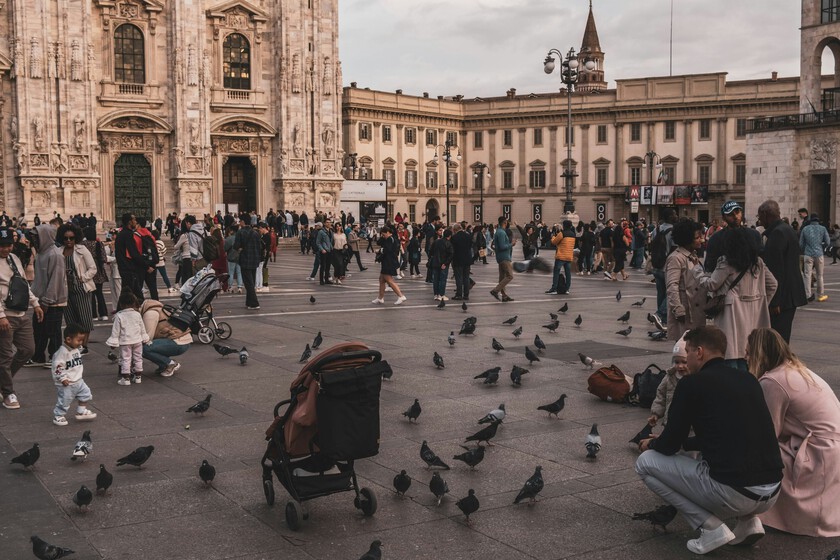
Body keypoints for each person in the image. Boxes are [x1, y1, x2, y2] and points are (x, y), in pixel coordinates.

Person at [635, 326, 783, 555]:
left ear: (700, 352)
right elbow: (725, 436)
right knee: (734, 458)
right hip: (772, 490)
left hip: (734, 492)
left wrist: (651, 443)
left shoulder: (691, 384)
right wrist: (684, 443)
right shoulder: (748, 379)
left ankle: (711, 528)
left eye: (689, 352)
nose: (687, 359)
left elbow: (669, 444)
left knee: (645, 463)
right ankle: (749, 522)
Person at [746, 327, 840, 537]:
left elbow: (768, 432)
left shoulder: (773, 381)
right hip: (830, 447)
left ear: (759, 354)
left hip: (817, 451)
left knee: (752, 452)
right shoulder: (797, 370)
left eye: (748, 353)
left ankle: (749, 508)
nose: (745, 357)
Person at [693, 227, 777, 371]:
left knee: (731, 353)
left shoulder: (726, 262)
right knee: (749, 355)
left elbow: (712, 284)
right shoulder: (757, 262)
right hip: (754, 315)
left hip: (731, 313)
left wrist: (698, 272)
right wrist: (761, 301)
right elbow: (773, 284)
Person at [0, 226, 43, 409]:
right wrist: (1, 316)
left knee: (28, 350)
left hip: (21, 313)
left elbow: (23, 283)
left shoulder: (14, 258)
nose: (6, 248)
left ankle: (2, 381)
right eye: (2, 245)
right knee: (5, 356)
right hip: (5, 315)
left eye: (9, 244)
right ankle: (8, 392)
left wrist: (35, 303)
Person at [756, 200, 808, 343]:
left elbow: (775, 270)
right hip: (791, 293)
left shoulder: (777, 234)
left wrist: (774, 301)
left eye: (760, 217)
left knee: (777, 339)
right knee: (783, 336)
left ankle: (780, 364)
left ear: (766, 215)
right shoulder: (787, 229)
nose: (759, 221)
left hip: (783, 297)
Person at [28, 221, 68, 368]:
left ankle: (55, 357)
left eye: (37, 238)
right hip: (41, 301)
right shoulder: (42, 253)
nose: (34, 241)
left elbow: (55, 280)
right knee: (39, 330)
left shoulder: (55, 254)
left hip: (53, 301)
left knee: (53, 331)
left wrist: (46, 301)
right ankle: (38, 356)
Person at [665, 220, 707, 341]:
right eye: (697, 237)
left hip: (696, 310)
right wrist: (678, 309)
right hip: (685, 311)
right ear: (687, 238)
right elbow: (672, 285)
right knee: (685, 348)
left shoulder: (693, 256)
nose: (702, 240)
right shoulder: (676, 258)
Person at [58, 223, 96, 354]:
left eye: (71, 238)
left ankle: (83, 346)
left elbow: (93, 268)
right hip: (65, 289)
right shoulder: (59, 251)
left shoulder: (82, 249)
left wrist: (82, 278)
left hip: (81, 288)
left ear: (76, 238)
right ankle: (74, 346)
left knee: (84, 319)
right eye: (66, 238)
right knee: (71, 319)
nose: (68, 240)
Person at [50, 323, 97, 426]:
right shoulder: (61, 352)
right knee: (64, 401)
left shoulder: (75, 349)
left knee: (85, 394)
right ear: (68, 339)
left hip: (78, 380)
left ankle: (81, 411)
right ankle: (58, 416)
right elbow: (57, 367)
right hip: (67, 383)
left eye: (82, 340)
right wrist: (62, 378)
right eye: (79, 340)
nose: (81, 343)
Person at [106, 291, 150, 385]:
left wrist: (113, 343)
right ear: (134, 303)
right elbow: (142, 328)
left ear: (121, 304)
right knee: (138, 358)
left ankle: (126, 379)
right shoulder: (137, 314)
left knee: (126, 359)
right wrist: (145, 338)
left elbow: (115, 331)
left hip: (125, 342)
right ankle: (138, 377)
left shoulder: (119, 316)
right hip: (137, 340)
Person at [140, 299, 191, 377]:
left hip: (179, 342)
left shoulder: (150, 314)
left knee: (144, 349)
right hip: (183, 340)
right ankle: (164, 365)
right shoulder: (158, 308)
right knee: (151, 346)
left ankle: (170, 364)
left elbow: (147, 338)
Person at [647, 331, 690, 427]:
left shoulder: (695, 378)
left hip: (688, 426)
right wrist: (655, 414)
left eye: (684, 362)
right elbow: (661, 396)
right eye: (676, 362)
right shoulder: (670, 376)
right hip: (669, 422)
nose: (680, 366)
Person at [114, 213, 150, 300]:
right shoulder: (128, 235)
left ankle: (123, 311)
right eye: (134, 219)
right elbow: (134, 253)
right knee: (133, 296)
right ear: (129, 222)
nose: (135, 221)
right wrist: (146, 265)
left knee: (128, 295)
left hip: (124, 268)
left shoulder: (121, 234)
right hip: (129, 269)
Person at [799, 213, 830, 302]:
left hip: (808, 254)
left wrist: (806, 248)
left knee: (807, 275)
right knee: (820, 275)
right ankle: (820, 295)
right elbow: (828, 242)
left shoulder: (805, 229)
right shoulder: (823, 229)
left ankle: (807, 295)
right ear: (818, 220)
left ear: (810, 220)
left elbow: (801, 244)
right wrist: (821, 247)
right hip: (819, 254)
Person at [372, 227, 406, 305]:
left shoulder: (391, 239)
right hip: (387, 261)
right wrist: (382, 237)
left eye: (384, 234)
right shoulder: (388, 239)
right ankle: (380, 298)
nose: (383, 236)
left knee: (389, 280)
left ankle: (401, 296)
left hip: (389, 262)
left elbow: (388, 250)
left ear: (388, 232)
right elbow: (379, 242)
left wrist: (379, 250)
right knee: (381, 279)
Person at [82, 226, 110, 321]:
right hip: (99, 270)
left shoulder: (84, 244)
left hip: (88, 269)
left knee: (91, 294)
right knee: (99, 293)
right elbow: (104, 258)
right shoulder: (99, 243)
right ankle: (103, 314)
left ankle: (93, 315)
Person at [234, 221, 262, 309]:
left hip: (245, 259)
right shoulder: (255, 233)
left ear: (242, 222)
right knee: (251, 282)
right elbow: (259, 246)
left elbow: (236, 246)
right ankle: (249, 302)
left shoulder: (240, 232)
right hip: (254, 259)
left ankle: (254, 303)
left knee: (248, 283)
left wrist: (240, 248)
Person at [490, 216, 515, 302]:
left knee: (502, 277)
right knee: (510, 276)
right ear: (505, 222)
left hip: (501, 257)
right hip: (504, 257)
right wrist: (511, 244)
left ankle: (504, 295)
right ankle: (495, 290)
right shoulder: (501, 232)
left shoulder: (499, 231)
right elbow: (502, 246)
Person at [547, 220, 575, 295]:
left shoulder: (562, 233)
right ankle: (567, 289)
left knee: (556, 272)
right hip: (569, 256)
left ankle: (554, 288)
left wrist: (553, 236)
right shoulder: (573, 234)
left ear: (565, 225)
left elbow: (554, 242)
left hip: (561, 256)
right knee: (568, 273)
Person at [429, 228, 454, 301]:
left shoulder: (436, 242)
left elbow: (430, 252)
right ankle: (441, 294)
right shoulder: (448, 243)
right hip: (443, 264)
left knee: (435, 279)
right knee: (442, 279)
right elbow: (451, 254)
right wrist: (445, 263)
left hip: (435, 263)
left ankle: (436, 294)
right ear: (449, 236)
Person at [451, 223, 472, 300]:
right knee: (466, 277)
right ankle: (466, 294)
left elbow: (452, 249)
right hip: (467, 259)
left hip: (458, 259)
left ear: (455, 230)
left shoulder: (454, 237)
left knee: (459, 278)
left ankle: (459, 294)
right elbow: (470, 246)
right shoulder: (468, 236)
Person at [224, 226, 243, 294]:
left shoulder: (229, 239)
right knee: (239, 272)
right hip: (239, 257)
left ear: (232, 231)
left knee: (231, 273)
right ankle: (240, 286)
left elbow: (225, 248)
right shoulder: (240, 238)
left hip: (231, 257)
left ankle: (230, 286)